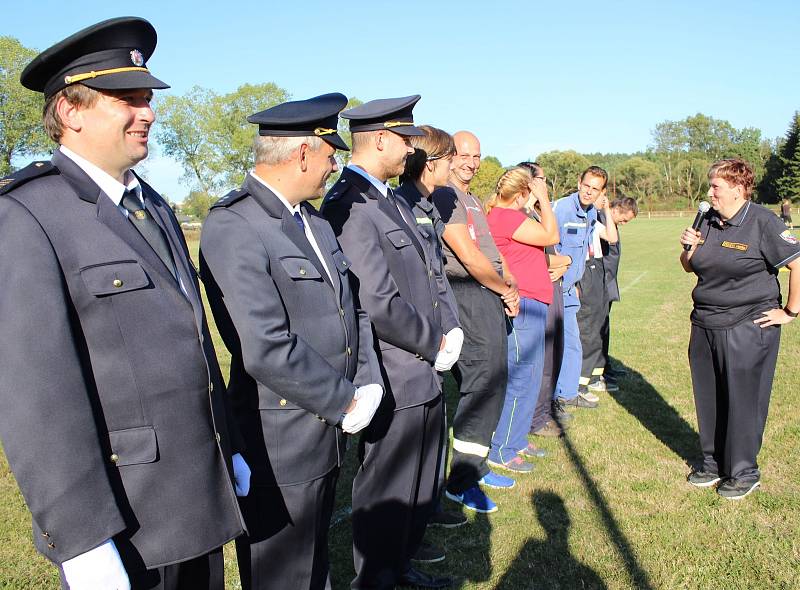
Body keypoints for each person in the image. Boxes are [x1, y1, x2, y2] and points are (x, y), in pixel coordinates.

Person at [0, 17, 249, 590]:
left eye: (147, 98)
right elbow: (37, 395)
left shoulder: (150, 204)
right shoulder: (28, 215)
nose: (149, 112)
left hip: (195, 497)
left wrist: (226, 445)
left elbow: (191, 339)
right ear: (72, 111)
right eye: (128, 100)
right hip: (124, 514)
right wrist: (82, 538)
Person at [199, 94, 384, 590]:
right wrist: (346, 399)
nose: (333, 167)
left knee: (314, 559)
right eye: (330, 155)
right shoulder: (234, 224)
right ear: (303, 154)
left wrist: (365, 379)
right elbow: (263, 344)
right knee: (282, 573)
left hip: (326, 430)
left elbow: (352, 308)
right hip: (280, 437)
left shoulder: (315, 221)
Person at [322, 96, 459, 590]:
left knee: (418, 484)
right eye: (405, 140)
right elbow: (377, 301)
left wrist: (447, 330)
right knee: (388, 486)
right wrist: (434, 342)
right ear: (380, 140)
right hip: (394, 368)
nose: (411, 150)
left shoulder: (386, 199)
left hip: (420, 366)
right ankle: (377, 579)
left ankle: (398, 569)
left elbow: (427, 272)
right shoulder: (350, 205)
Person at [679, 158, 800, 500]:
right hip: (704, 321)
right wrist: (690, 248)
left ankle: (744, 470)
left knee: (743, 399)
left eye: (716, 186)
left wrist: (789, 311)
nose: (710, 193)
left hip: (747, 323)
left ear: (738, 188)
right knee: (710, 396)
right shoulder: (707, 218)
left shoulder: (763, 221)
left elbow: (797, 264)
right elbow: (690, 267)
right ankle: (713, 462)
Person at [432, 131, 520, 514]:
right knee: (481, 383)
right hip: (468, 293)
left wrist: (509, 279)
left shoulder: (469, 197)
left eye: (477, 155)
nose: (470, 161)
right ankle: (461, 482)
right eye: (464, 154)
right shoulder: (445, 195)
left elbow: (490, 248)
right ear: (450, 156)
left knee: (493, 381)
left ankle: (478, 466)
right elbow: (467, 256)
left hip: (488, 292)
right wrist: (504, 289)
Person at [396, 126, 468, 542]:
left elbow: (435, 275)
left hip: (435, 336)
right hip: (414, 344)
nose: (456, 166)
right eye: (449, 159)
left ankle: (426, 510)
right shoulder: (401, 203)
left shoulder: (425, 202)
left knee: (434, 438)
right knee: (406, 455)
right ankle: (407, 530)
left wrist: (451, 327)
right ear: (431, 162)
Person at [485, 167, 559, 472]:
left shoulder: (514, 217)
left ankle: (516, 439)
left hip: (535, 302)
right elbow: (551, 235)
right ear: (522, 194)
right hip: (524, 303)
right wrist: (543, 198)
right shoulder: (506, 216)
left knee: (530, 378)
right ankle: (502, 449)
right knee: (521, 378)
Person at [517, 162, 572, 438]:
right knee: (541, 359)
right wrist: (564, 260)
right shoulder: (518, 213)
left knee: (555, 353)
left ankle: (544, 410)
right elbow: (536, 253)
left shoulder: (534, 212)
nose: (545, 185)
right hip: (534, 293)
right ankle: (535, 419)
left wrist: (564, 263)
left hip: (552, 286)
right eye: (542, 181)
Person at [552, 166, 611, 410]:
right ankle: (556, 397)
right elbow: (547, 242)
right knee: (554, 345)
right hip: (553, 288)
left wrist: (575, 282)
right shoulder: (561, 209)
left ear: (601, 192)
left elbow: (582, 251)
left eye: (595, 189)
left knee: (573, 343)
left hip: (569, 289)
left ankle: (567, 392)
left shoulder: (591, 214)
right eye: (586, 185)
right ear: (579, 182)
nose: (589, 192)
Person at [575, 193, 618, 400]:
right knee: (587, 327)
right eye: (600, 195)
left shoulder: (594, 218)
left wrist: (606, 211)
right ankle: (579, 382)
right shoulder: (574, 216)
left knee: (600, 322)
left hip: (597, 269)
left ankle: (593, 375)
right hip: (583, 270)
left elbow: (612, 237)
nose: (603, 198)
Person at [598, 197, 638, 387]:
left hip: (609, 282)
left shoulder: (610, 223)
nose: (624, 224)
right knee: (597, 329)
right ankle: (598, 371)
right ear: (615, 209)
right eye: (624, 219)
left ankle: (605, 366)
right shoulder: (601, 220)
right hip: (600, 282)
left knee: (605, 327)